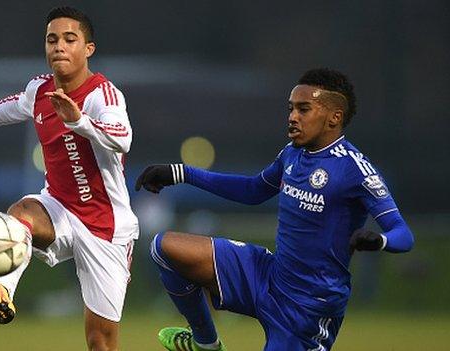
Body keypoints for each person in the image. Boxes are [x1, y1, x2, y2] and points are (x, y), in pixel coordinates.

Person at [135, 68, 415, 351]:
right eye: (291, 108)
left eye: (304, 109)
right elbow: (254, 190)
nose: (293, 117)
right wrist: (182, 173)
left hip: (309, 307)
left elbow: (403, 234)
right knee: (165, 248)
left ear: (335, 117)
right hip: (269, 275)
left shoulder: (355, 169)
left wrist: (380, 240)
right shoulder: (292, 154)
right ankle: (205, 344)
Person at [0, 7, 138, 351]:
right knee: (20, 213)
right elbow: (8, 107)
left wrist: (78, 121)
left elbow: (122, 137)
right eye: (52, 40)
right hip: (58, 208)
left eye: (69, 39)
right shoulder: (40, 90)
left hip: (106, 228)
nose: (59, 47)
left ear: (88, 49)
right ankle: (2, 290)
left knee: (101, 343)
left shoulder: (102, 95)